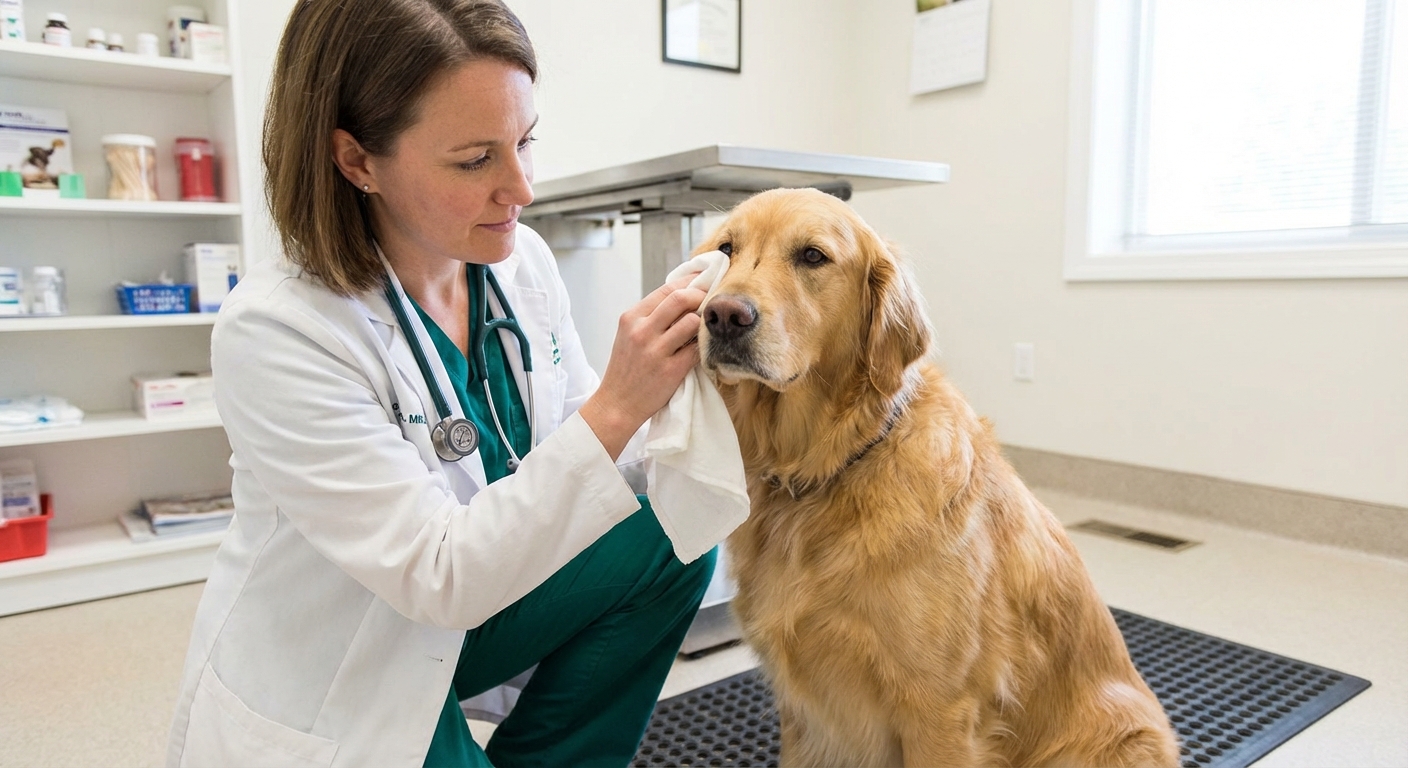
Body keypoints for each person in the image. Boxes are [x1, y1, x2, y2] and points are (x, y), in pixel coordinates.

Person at [165, 1, 716, 766]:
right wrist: (619, 404)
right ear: (356, 160)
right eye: (475, 160)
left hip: (475, 603)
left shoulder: (519, 268)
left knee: (677, 534)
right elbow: (438, 574)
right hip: (354, 656)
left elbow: (590, 477)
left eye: (525, 142)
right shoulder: (278, 329)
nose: (521, 189)